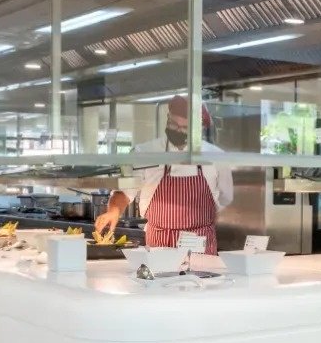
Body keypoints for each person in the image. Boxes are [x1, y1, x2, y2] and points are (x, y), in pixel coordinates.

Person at [94, 96, 234, 253]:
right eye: (174, 125)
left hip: (199, 244)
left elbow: (226, 198)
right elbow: (124, 191)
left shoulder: (216, 156)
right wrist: (114, 210)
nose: (178, 131)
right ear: (168, 118)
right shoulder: (145, 153)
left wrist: (200, 220)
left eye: (185, 128)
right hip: (158, 245)